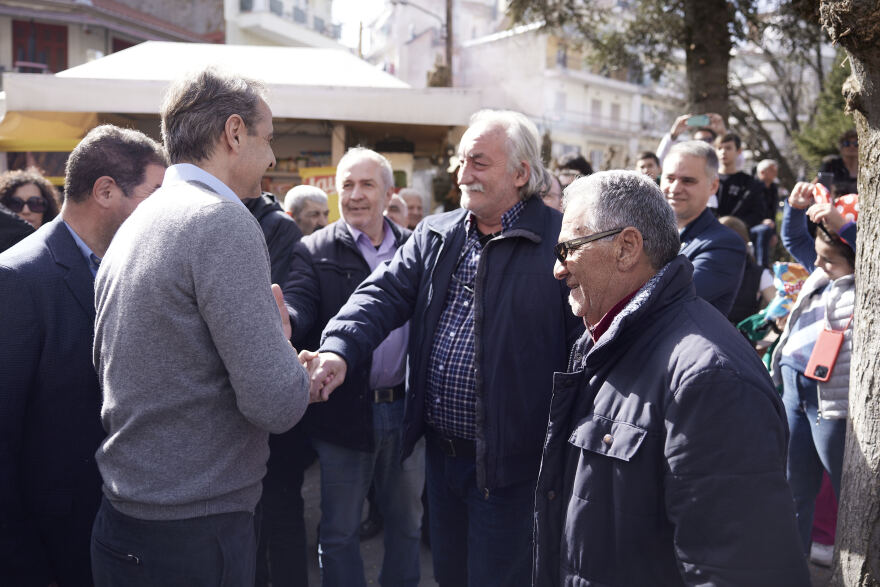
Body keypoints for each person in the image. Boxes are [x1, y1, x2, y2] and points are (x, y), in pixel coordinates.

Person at [302, 109, 583, 587]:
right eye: (460, 161)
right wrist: (338, 349)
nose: (462, 174)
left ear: (520, 173)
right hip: (442, 458)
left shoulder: (559, 242)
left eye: (478, 162)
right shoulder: (438, 232)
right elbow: (381, 295)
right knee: (450, 574)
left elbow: (585, 350)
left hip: (513, 468)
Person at [533, 170, 810, 586]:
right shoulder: (613, 340)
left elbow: (738, 568)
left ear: (627, 247)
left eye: (568, 249)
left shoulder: (709, 380)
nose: (558, 270)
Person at [90, 68, 310, 585]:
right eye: (268, 139)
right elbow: (274, 403)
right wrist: (285, 356)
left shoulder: (140, 219)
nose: (273, 158)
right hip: (194, 530)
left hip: (132, 515)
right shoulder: (221, 219)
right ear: (234, 133)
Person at [0, 124, 168, 586]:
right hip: (49, 551)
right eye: (156, 193)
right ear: (106, 191)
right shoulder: (18, 279)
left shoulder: (137, 271)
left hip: (117, 539)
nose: (166, 211)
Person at [284, 147, 420, 587]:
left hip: (405, 412)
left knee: (406, 524)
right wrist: (288, 316)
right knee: (339, 531)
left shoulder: (417, 248)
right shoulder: (313, 250)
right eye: (347, 185)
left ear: (388, 192)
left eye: (366, 184)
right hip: (343, 414)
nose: (356, 195)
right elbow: (300, 301)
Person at [771, 181, 856, 557]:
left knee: (848, 489)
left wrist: (846, 228)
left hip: (832, 405)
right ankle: (790, 566)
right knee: (793, 487)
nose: (816, 265)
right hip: (794, 387)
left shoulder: (868, 283)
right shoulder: (820, 269)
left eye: (829, 260)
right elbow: (794, 238)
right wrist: (795, 206)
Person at [661, 140, 746, 316]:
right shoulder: (646, 233)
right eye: (669, 178)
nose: (675, 188)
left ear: (713, 186)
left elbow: (666, 300)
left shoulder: (725, 245)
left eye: (688, 181)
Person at [655, 111, 726, 163]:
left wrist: (723, 132)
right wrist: (674, 134)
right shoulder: (686, 162)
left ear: (715, 142)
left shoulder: (722, 162)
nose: (703, 144)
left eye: (708, 139)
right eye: (699, 141)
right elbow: (659, 163)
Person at [818, 129, 858, 194]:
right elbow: (820, 187)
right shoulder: (830, 164)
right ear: (841, 147)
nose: (852, 146)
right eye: (847, 143)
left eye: (856, 143)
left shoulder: (868, 168)